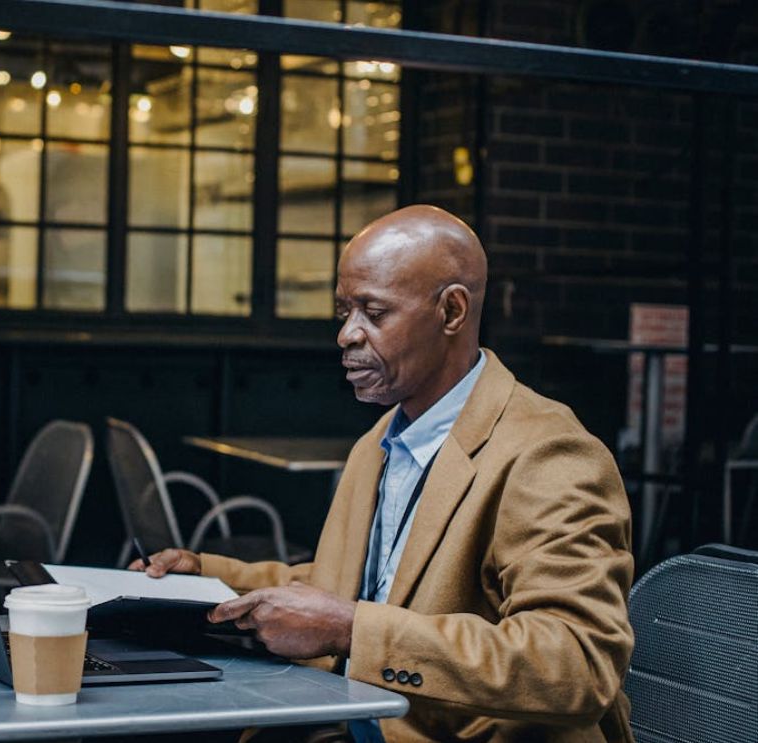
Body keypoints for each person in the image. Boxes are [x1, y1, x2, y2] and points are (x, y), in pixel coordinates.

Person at [131, 205, 635, 742]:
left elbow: (577, 663)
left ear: (452, 312)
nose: (347, 335)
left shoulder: (548, 453)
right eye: (344, 312)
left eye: (374, 312)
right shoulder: (383, 438)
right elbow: (363, 587)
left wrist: (352, 630)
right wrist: (210, 581)